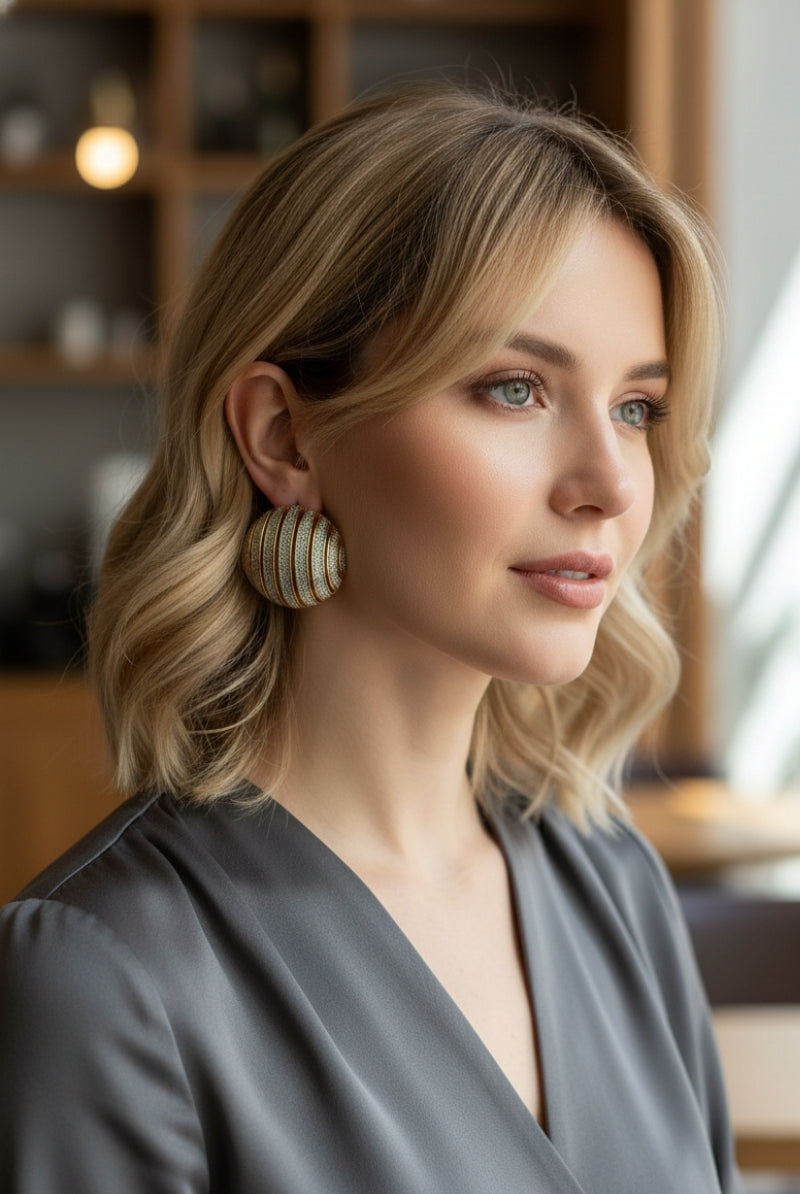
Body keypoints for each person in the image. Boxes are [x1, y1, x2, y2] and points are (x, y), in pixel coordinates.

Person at [0, 86, 741, 1193]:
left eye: (636, 406)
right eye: (515, 388)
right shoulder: (103, 978)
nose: (607, 483)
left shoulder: (610, 881)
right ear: (282, 435)